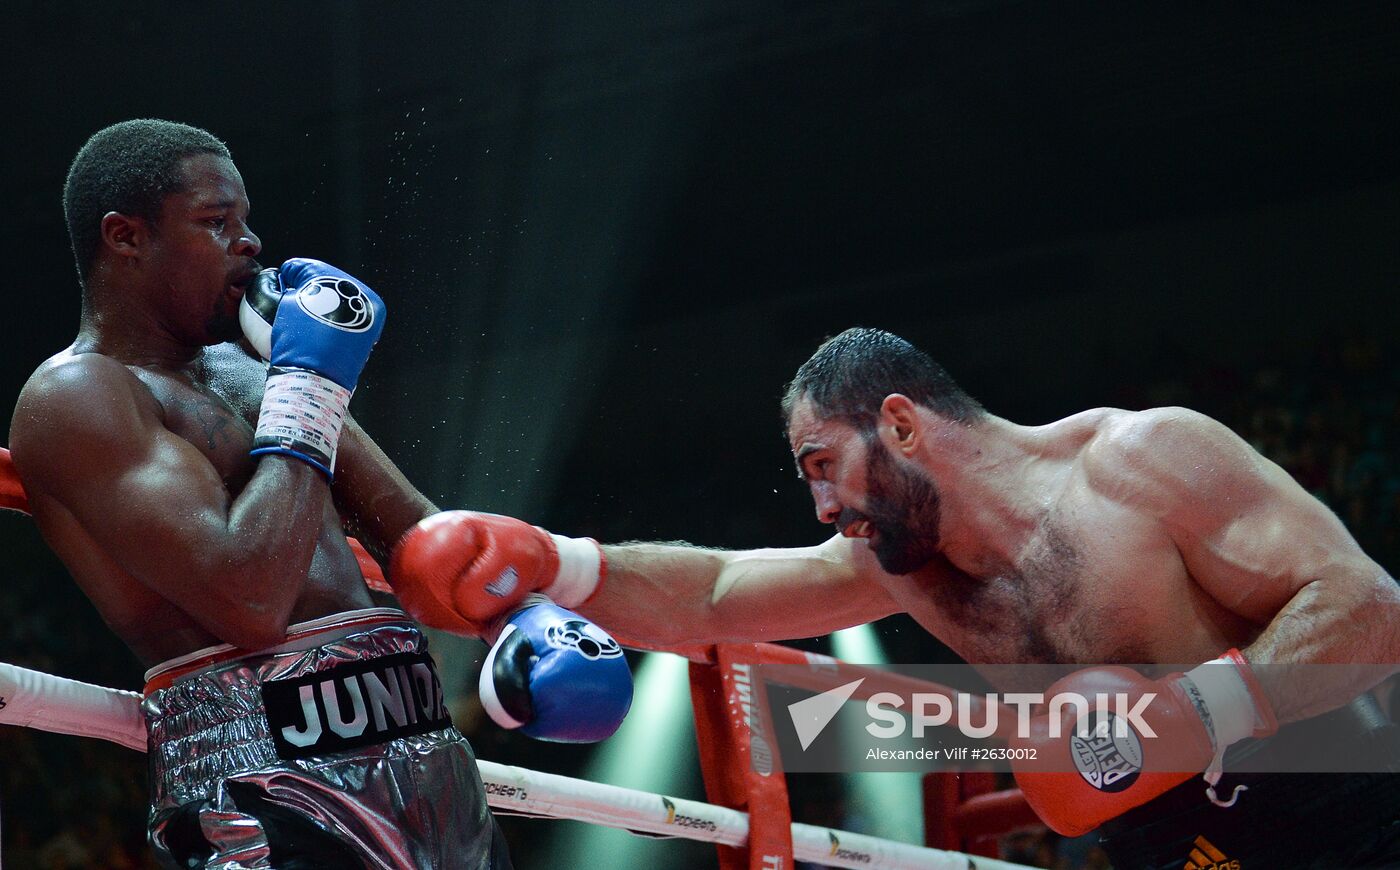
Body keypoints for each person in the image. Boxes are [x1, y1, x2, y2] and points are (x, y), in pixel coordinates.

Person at [388, 326, 1400, 868]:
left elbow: (1367, 604)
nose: (827, 508)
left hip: (1347, 810)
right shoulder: (898, 566)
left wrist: (1196, 713)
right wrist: (556, 563)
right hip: (1168, 847)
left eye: (825, 465)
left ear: (903, 426)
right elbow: (718, 591)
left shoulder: (1139, 460)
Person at [7, 118, 524, 869]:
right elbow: (248, 601)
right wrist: (310, 385)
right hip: (269, 780)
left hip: (425, 754)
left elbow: (420, 536)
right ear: (126, 238)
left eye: (245, 222)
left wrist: (524, 616)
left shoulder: (256, 371)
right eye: (215, 223)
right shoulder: (80, 396)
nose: (248, 244)